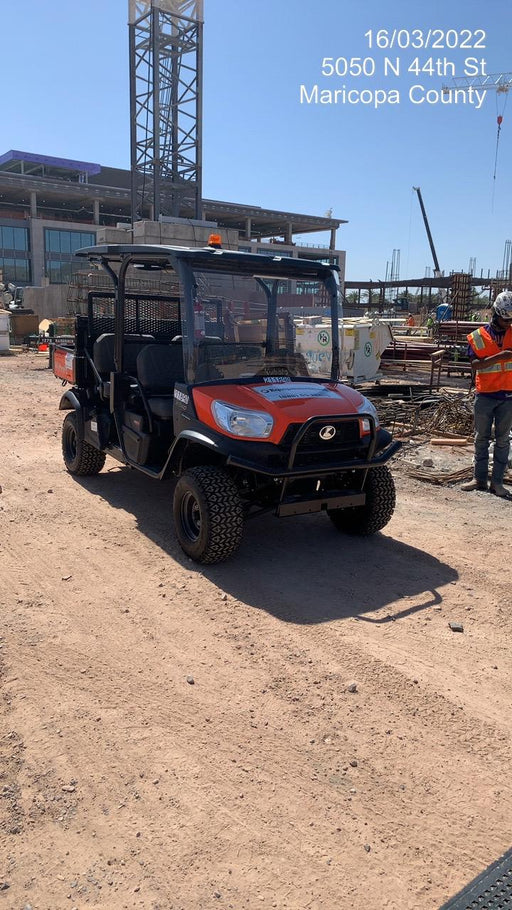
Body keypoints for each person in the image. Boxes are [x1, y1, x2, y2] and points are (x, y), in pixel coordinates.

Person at [461, 290, 512, 499]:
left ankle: (497, 483)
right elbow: (474, 365)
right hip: (485, 395)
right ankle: (479, 479)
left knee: (502, 440)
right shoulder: (478, 337)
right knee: (481, 438)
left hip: (508, 396)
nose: (508, 323)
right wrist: (501, 356)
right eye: (505, 319)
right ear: (495, 314)